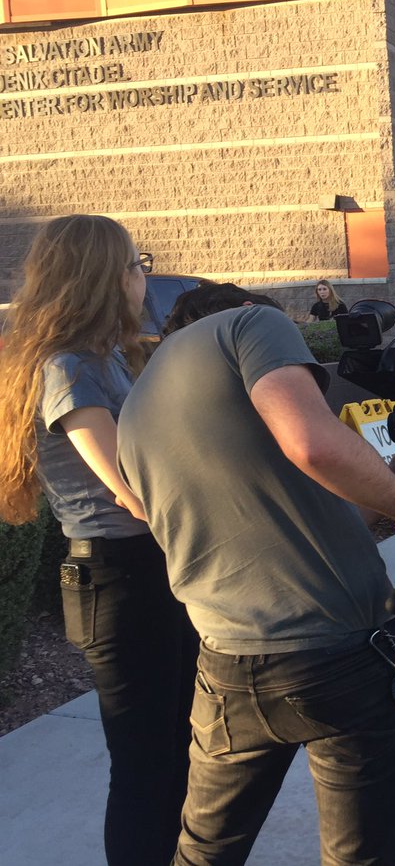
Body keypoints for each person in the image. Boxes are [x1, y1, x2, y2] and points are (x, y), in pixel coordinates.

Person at [116, 282, 395, 865]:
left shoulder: (137, 408)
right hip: (339, 660)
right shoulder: (250, 325)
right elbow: (311, 443)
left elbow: (308, 512)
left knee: (203, 854)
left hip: (226, 664)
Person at [0, 214, 198, 865]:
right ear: (101, 276)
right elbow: (130, 487)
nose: (143, 275)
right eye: (135, 264)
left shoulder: (109, 357)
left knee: (179, 753)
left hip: (156, 571)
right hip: (120, 577)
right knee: (144, 769)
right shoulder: (66, 370)